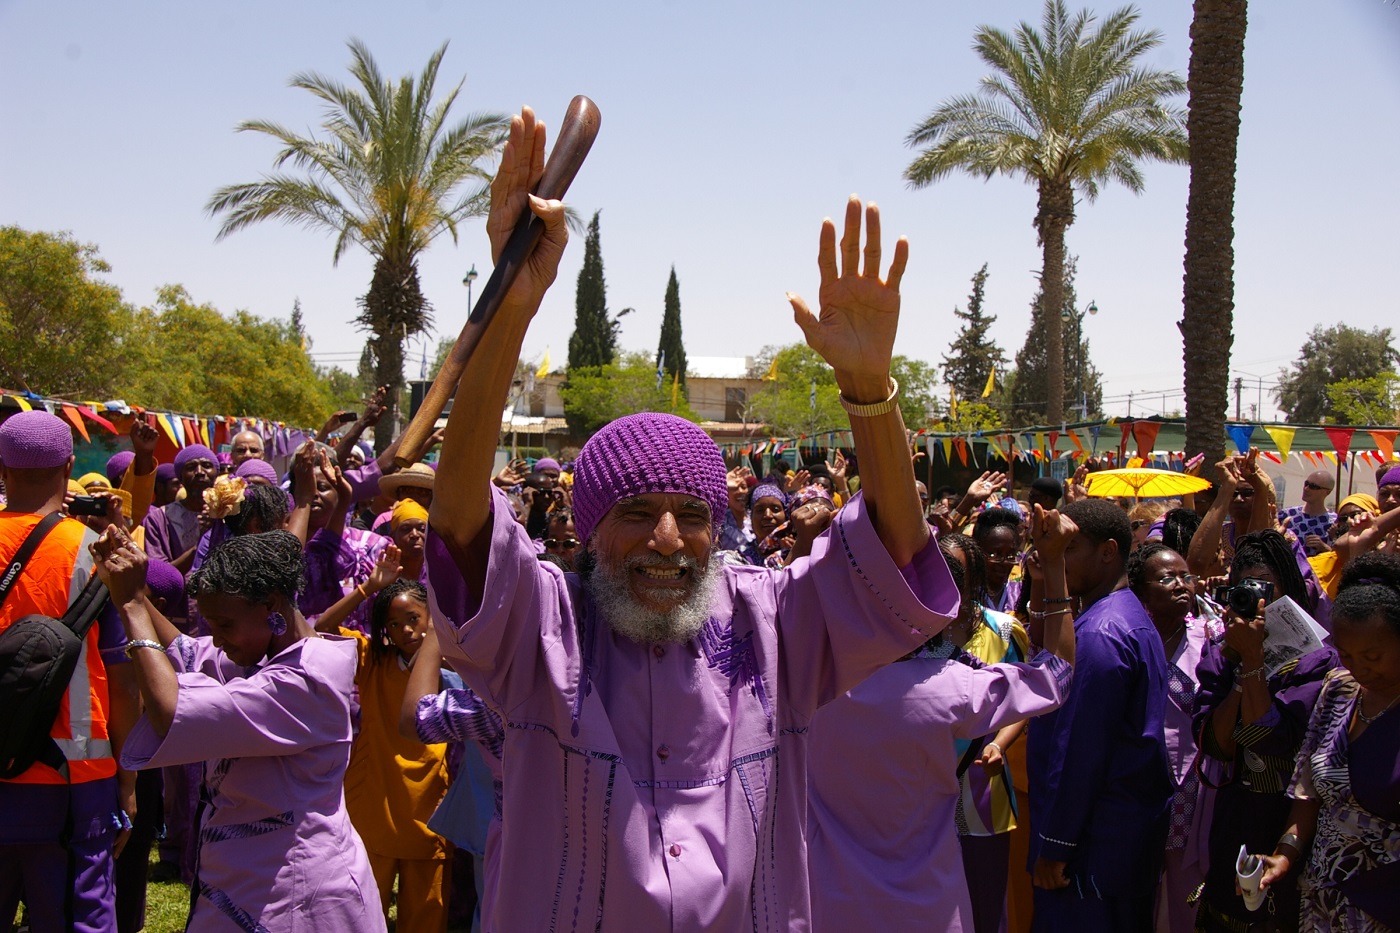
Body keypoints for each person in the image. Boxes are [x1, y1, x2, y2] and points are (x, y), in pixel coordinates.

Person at [425, 107, 956, 930]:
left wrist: (868, 391)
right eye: (637, 512)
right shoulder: (543, 632)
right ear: (591, 529)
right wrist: (511, 309)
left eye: (692, 515)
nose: (668, 540)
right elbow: (458, 523)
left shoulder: (772, 623)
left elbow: (895, 555)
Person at [94, 526, 386, 932]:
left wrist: (130, 606)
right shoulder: (266, 652)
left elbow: (169, 710)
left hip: (296, 894)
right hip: (252, 878)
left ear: (271, 605)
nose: (215, 638)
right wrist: (134, 590)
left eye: (224, 625)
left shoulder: (306, 682)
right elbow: (187, 652)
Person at [807, 529, 1070, 933]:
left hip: (828, 902)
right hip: (927, 906)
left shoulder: (808, 680)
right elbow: (1058, 676)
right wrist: (1053, 565)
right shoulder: (952, 687)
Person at [0, 410, 139, 933]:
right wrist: (128, 778)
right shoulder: (97, 552)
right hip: (75, 773)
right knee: (82, 915)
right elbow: (124, 683)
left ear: (2, 467)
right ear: (69, 465)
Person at [1026, 498, 1173, 931]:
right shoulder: (1120, 617)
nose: (1057, 558)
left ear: (1107, 552)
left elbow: (1080, 750)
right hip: (1115, 839)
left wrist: (1056, 844)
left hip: (1091, 849)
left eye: (1069, 549)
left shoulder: (1101, 635)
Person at [1193, 530, 1336, 933]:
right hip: (1234, 811)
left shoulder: (1317, 660)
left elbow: (1273, 737)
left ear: (1287, 591)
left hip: (1289, 816)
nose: (1256, 601)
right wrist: (1241, 668)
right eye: (1243, 589)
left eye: (1264, 590)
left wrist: (1255, 661)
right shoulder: (1222, 654)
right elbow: (1214, 745)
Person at [1255, 552, 1400, 931]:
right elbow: (1308, 792)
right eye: (1348, 655)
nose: (1360, 668)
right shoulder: (1338, 689)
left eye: (1373, 656)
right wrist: (1285, 854)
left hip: (1386, 903)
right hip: (1323, 897)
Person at [319, 574, 452, 933]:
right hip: (376, 799)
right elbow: (321, 628)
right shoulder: (373, 662)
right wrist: (367, 589)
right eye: (393, 623)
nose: (405, 630)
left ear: (431, 618)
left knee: (425, 910)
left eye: (413, 619)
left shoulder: (454, 667)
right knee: (364, 904)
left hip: (429, 803)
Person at [1125, 543, 1224, 933]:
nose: (1182, 585)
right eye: (1167, 579)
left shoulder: (1211, 637)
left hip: (1192, 787)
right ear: (1141, 590)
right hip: (1137, 784)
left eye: (1187, 577)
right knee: (1137, 883)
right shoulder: (1128, 637)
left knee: (1185, 886)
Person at [141, 444, 218, 574]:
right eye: (191, 467)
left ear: (216, 473)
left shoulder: (230, 513)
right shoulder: (159, 518)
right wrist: (199, 545)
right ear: (180, 477)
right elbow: (159, 574)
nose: (199, 472)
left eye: (207, 465)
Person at [974, 507, 1023, 612]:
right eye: (995, 554)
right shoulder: (965, 595)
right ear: (977, 550)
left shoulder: (1020, 594)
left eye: (1010, 555)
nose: (1004, 562)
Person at [1278, 470, 1336, 557]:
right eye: (1306, 484)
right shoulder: (1287, 514)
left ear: (1327, 492)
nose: (1306, 488)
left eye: (1313, 486)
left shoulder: (1334, 522)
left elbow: (1341, 557)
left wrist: (1324, 547)